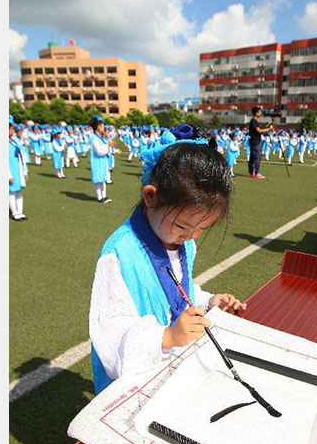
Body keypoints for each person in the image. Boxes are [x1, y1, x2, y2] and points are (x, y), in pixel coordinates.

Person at [88, 126, 246, 394]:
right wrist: (167, 337)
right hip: (131, 379)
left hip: (166, 365)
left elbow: (177, 292)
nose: (191, 236)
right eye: (183, 226)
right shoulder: (119, 254)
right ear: (150, 196)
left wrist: (208, 302)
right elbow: (110, 331)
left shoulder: (185, 244)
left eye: (202, 229)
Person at [89, 116, 113, 203]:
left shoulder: (100, 138)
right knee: (98, 179)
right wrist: (107, 145)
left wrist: (108, 146)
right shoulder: (94, 138)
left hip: (102, 161)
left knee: (102, 179)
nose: (103, 128)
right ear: (98, 127)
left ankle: (104, 196)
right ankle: (99, 197)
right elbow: (98, 151)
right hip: (97, 161)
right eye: (102, 126)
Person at [8, 123, 28, 221]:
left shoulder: (14, 141)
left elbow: (22, 156)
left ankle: (20, 211)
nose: (13, 131)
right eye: (11, 129)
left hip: (18, 170)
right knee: (11, 192)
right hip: (11, 171)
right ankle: (14, 212)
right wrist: (8, 175)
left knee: (19, 191)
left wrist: (25, 171)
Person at [247, 106, 273, 179]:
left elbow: (258, 130)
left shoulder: (254, 121)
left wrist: (265, 126)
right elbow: (258, 130)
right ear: (256, 113)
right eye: (259, 112)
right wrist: (268, 128)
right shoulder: (253, 121)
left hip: (254, 141)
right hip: (255, 141)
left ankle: (251, 172)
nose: (261, 113)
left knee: (252, 157)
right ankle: (256, 173)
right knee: (257, 157)